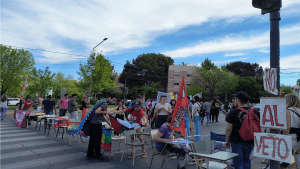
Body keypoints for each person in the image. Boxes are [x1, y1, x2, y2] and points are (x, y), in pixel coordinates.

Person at [225, 92, 260, 169]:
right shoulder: (255, 111)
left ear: (238, 100)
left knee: (238, 162)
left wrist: (227, 141)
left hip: (236, 140)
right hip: (250, 140)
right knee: (246, 160)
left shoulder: (233, 112)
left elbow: (228, 129)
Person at [86, 94, 117, 162]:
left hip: (92, 123)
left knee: (92, 140)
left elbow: (103, 115)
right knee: (97, 140)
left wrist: (109, 122)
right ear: (109, 97)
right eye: (113, 100)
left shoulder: (101, 101)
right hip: (96, 123)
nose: (113, 102)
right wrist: (106, 111)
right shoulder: (105, 103)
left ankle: (90, 154)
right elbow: (97, 111)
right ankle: (98, 156)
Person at [282, 94, 300, 168]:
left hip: (290, 139)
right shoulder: (299, 111)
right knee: (296, 159)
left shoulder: (287, 111)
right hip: (298, 139)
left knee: (285, 162)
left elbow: (287, 128)